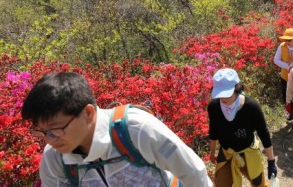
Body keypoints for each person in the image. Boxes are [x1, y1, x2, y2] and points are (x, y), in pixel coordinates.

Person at [21, 72, 212, 187]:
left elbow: (194, 174)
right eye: (42, 132)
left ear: (88, 113)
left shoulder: (135, 129)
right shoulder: (55, 158)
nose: (50, 139)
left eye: (56, 129)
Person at [208, 68, 277, 187]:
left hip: (248, 151)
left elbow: (263, 134)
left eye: (227, 94)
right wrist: (212, 151)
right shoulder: (214, 107)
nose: (223, 99)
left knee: (259, 184)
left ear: (237, 88)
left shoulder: (251, 107)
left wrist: (271, 161)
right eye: (220, 95)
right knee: (221, 184)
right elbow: (213, 130)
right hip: (227, 152)